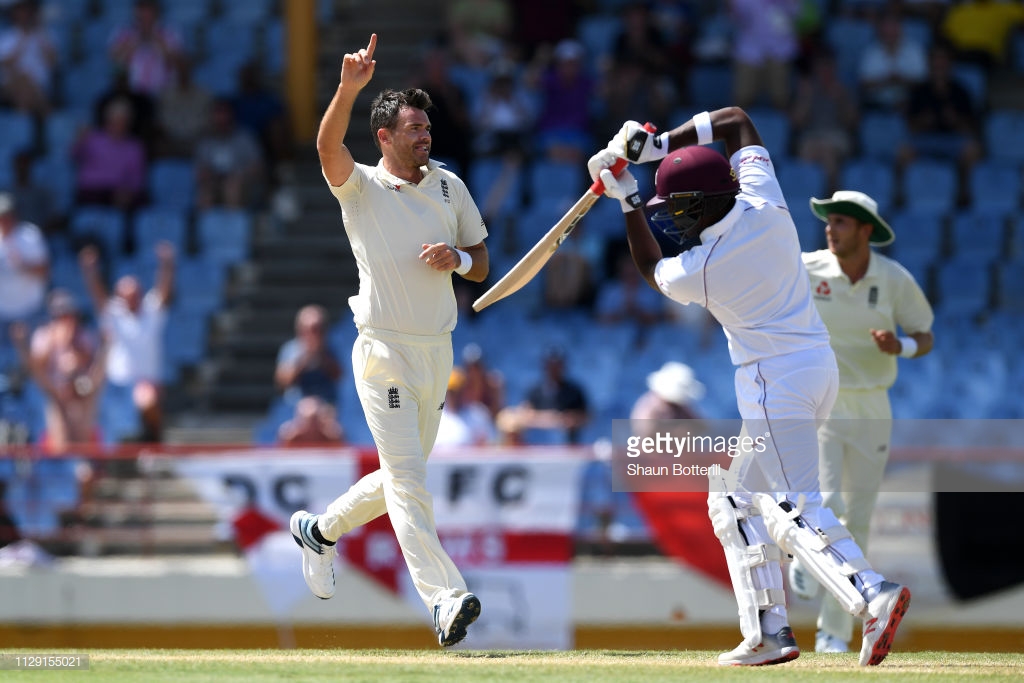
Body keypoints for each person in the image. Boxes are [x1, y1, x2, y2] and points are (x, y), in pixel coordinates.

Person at [587, 107, 910, 666]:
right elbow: (736, 121)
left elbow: (649, 268)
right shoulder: (765, 201)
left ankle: (871, 594)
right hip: (814, 367)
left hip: (772, 380)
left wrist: (629, 199)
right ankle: (768, 632)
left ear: (701, 205)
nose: (674, 220)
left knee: (790, 504)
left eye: (677, 209)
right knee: (734, 496)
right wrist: (658, 145)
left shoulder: (704, 265)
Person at [288, 34, 489, 648]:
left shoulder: (451, 188)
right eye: (413, 129)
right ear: (385, 138)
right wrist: (349, 87)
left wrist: (455, 256)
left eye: (427, 127)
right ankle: (444, 598)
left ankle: (320, 531)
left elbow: (481, 261)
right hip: (383, 353)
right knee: (408, 482)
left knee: (405, 473)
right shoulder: (363, 187)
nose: (425, 136)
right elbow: (326, 148)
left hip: (437, 352)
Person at [790, 190, 934, 653]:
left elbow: (924, 334)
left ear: (866, 230)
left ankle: (834, 632)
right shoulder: (808, 267)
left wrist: (901, 347)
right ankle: (806, 561)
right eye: (829, 222)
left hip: (873, 407)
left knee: (860, 519)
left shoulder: (893, 279)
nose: (830, 230)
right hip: (824, 399)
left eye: (842, 223)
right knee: (827, 500)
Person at [79, 241, 174, 443]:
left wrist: (167, 265)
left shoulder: (151, 312)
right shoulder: (114, 315)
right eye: (126, 296)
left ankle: (156, 440)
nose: (131, 300)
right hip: (117, 385)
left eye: (135, 295)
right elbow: (98, 295)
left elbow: (164, 290)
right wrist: (90, 271)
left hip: (146, 381)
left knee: (147, 402)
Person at [12, 289, 106, 454]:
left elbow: (91, 365)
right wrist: (55, 342)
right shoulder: (44, 335)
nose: (66, 318)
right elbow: (36, 368)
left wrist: (73, 345)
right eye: (61, 314)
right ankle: (63, 460)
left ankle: (82, 460)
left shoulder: (83, 335)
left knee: (87, 399)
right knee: (56, 408)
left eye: (68, 313)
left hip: (80, 388)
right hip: (53, 387)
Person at [495, 346, 589, 445]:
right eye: (551, 365)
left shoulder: (574, 392)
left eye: (557, 365)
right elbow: (524, 414)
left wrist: (568, 420)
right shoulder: (535, 391)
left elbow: (585, 417)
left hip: (566, 446)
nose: (554, 369)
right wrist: (550, 419)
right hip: (537, 447)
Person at [72, 97, 148, 211]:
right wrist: (80, 140)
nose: (118, 125)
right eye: (115, 121)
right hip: (92, 190)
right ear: (107, 121)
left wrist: (129, 192)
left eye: (122, 121)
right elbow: (74, 155)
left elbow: (137, 179)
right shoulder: (93, 138)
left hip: (118, 192)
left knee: (139, 201)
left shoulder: (135, 147)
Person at [194, 98, 266, 210]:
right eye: (218, 116)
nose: (221, 121)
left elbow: (258, 166)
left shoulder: (245, 138)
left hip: (243, 184)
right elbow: (200, 171)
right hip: (216, 182)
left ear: (232, 117)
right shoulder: (206, 141)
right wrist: (210, 176)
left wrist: (240, 175)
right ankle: (206, 226)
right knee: (205, 192)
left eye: (224, 115)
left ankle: (233, 226)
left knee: (232, 187)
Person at [0, 192, 49, 349]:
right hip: (2, 315)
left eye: (6, 215)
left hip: (30, 312)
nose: (4, 220)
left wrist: (22, 265)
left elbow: (44, 272)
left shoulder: (29, 235)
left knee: (30, 362)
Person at [108, 0, 183, 98]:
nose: (145, 14)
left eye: (149, 9)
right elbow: (114, 59)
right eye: (142, 9)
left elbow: (178, 62)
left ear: (157, 11)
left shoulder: (170, 33)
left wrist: (155, 39)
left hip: (163, 92)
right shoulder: (123, 33)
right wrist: (135, 42)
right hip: (132, 93)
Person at [857, 9, 928, 113]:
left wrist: (900, 80)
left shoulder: (915, 50)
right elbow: (864, 84)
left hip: (910, 104)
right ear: (880, 29)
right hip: (877, 105)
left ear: (900, 27)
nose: (889, 31)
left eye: (893, 26)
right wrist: (887, 80)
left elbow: (923, 82)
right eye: (886, 27)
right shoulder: (870, 52)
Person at [273, 304, 342, 408]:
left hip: (326, 406)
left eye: (319, 328)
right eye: (310, 329)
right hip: (296, 407)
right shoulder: (290, 349)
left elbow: (339, 376)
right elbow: (282, 382)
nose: (314, 334)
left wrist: (322, 357)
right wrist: (305, 358)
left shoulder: (332, 348)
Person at [0, 0, 57, 116]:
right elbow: (6, 64)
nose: (24, 15)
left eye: (27, 11)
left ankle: (23, 124)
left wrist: (40, 36)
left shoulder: (45, 35)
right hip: (12, 84)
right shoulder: (7, 36)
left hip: (39, 85)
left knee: (24, 93)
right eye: (20, 11)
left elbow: (53, 62)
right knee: (22, 81)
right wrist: (22, 40)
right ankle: (45, 111)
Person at [435, 367, 496, 447]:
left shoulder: (478, 414)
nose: (454, 396)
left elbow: (491, 442)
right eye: (451, 392)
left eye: (458, 392)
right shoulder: (435, 414)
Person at [277, 395, 345, 447]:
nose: (310, 427)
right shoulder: (289, 437)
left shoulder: (331, 436)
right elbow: (282, 456)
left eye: (314, 420)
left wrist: (334, 436)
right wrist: (288, 439)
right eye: (305, 420)